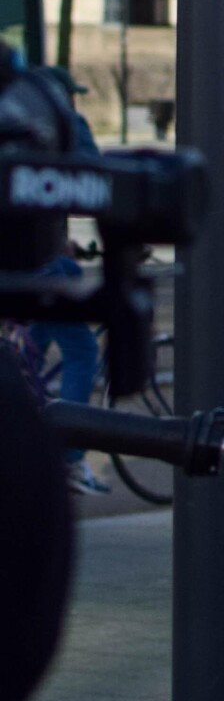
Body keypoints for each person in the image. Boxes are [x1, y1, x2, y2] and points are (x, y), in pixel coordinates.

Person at [28, 65, 109, 495]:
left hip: (31, 259)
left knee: (29, 353)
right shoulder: (63, 125)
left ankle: (27, 428)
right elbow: (94, 180)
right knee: (82, 351)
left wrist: (63, 243)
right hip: (39, 266)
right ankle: (71, 460)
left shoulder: (20, 125)